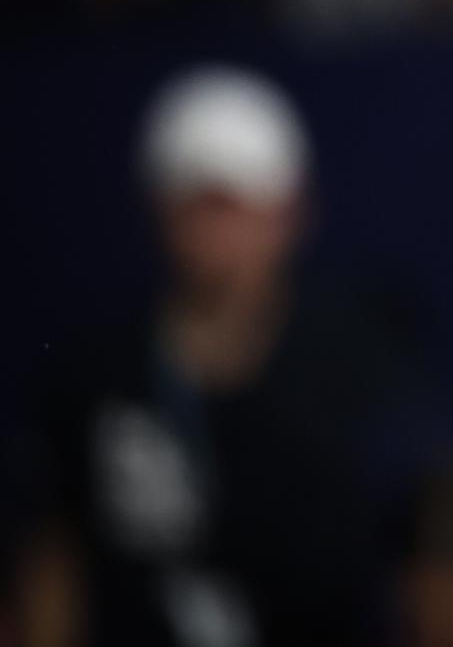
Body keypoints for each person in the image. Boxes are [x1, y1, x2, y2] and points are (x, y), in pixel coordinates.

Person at [10, 66, 388, 646]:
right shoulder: (95, 376)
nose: (218, 234)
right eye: (199, 207)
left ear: (293, 214)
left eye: (241, 208)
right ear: (159, 212)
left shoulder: (357, 375)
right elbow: (53, 555)